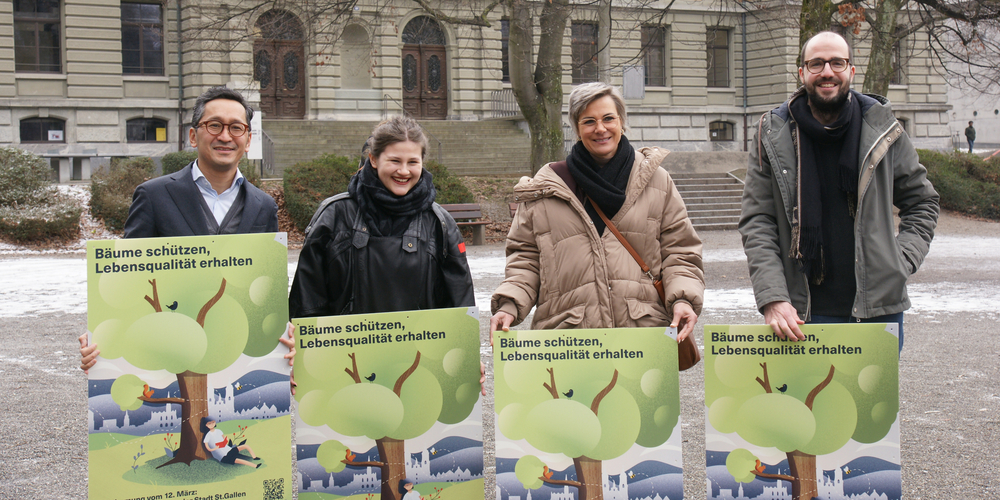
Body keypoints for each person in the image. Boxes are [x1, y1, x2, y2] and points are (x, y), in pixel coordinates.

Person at [739, 31, 939, 350]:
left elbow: (922, 202)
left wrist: (900, 261)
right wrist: (773, 297)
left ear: (851, 71)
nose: (827, 71)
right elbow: (758, 221)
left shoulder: (883, 127)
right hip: (800, 313)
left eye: (837, 62)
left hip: (877, 310)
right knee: (805, 388)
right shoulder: (771, 132)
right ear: (802, 72)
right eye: (816, 63)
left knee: (871, 387)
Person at [80, 86, 290, 372]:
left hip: (235, 354)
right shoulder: (153, 196)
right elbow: (128, 279)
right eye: (214, 125)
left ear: (248, 140)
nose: (225, 136)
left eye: (236, 128)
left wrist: (280, 335)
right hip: (168, 348)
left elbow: (266, 288)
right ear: (193, 136)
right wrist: (103, 338)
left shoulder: (263, 205)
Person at [489, 82, 704, 342]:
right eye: (589, 121)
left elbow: (680, 252)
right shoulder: (546, 187)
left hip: (644, 337)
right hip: (568, 338)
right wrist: (509, 304)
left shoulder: (657, 181)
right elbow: (525, 258)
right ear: (577, 128)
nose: (600, 128)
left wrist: (683, 299)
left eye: (608, 118)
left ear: (621, 122)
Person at [288, 115, 475, 318]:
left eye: (413, 162)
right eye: (395, 160)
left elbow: (460, 308)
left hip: (420, 340)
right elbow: (307, 303)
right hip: (349, 340)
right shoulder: (334, 216)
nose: (403, 171)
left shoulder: (440, 223)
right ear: (373, 159)